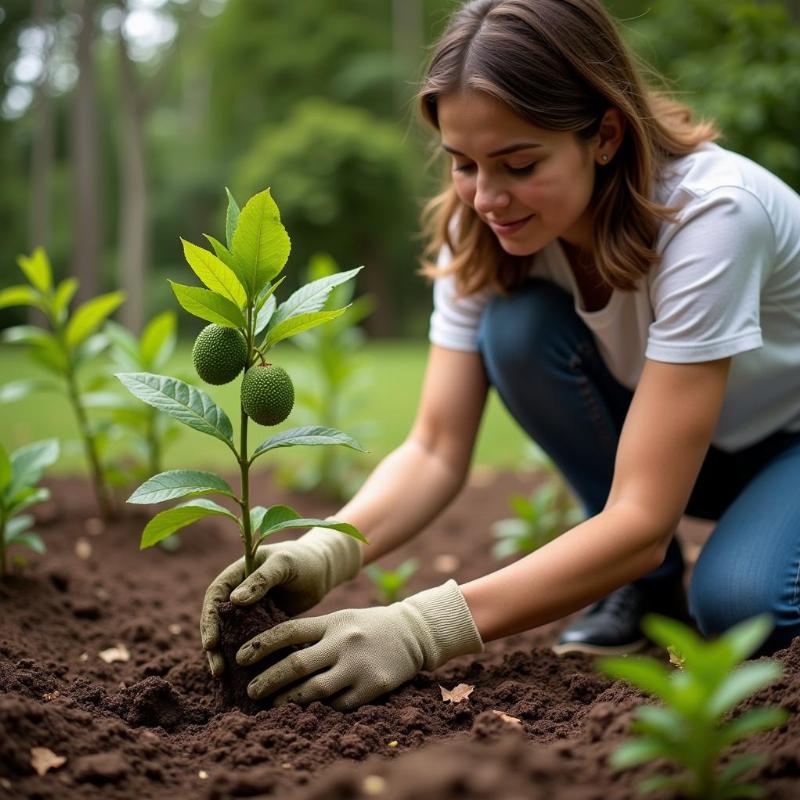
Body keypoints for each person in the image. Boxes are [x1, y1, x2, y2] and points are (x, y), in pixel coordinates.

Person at [200, 0, 800, 712]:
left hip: (785, 443)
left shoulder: (712, 215)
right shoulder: (480, 228)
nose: (487, 197)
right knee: (515, 331)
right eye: (463, 164)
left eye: (519, 163)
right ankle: (641, 587)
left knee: (742, 606)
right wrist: (323, 550)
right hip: (686, 452)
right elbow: (435, 449)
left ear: (605, 134)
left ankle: (663, 565)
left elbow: (641, 515)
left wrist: (421, 628)